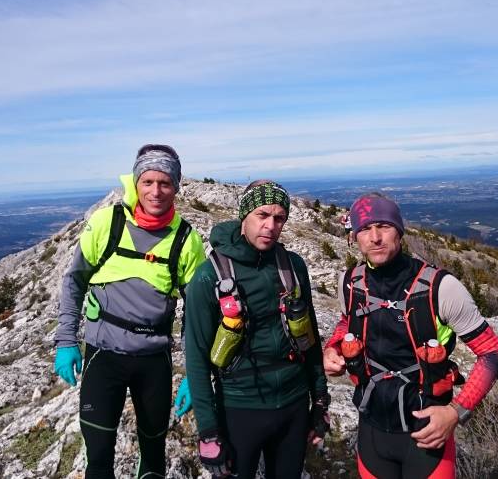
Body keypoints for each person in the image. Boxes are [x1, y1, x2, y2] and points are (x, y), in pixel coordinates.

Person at [323, 193, 498, 479]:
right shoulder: (350, 282)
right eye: (365, 229)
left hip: (428, 436)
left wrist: (456, 412)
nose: (375, 237)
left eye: (383, 226)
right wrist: (332, 348)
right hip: (371, 429)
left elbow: (492, 352)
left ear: (399, 231)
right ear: (354, 237)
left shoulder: (441, 288)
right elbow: (348, 321)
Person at [54, 144, 206, 479]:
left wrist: (196, 373)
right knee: (98, 458)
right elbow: (74, 281)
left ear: (177, 187)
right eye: (148, 181)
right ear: (136, 182)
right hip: (102, 356)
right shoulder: (107, 223)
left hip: (153, 360)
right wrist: (66, 340)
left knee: (153, 456)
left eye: (165, 183)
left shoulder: (185, 239)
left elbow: (197, 313)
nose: (156, 191)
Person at [184, 180, 330, 479]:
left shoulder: (293, 267)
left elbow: (310, 340)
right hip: (240, 407)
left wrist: (320, 400)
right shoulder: (208, 277)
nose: (271, 225)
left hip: (293, 403)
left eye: (279, 218)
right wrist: (208, 430)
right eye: (262, 215)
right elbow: (196, 360)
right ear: (244, 216)